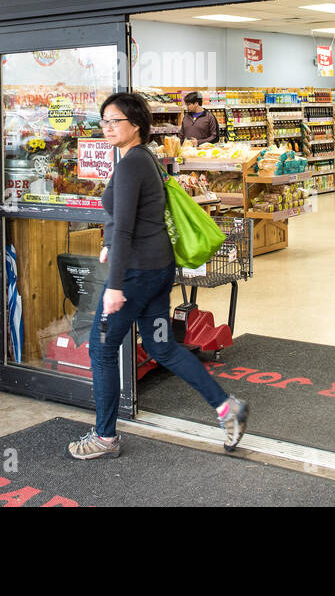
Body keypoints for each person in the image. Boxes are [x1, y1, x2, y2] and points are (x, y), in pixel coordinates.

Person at [68, 91, 249, 460]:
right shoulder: (144, 159)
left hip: (134, 275)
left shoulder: (132, 163)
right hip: (157, 269)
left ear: (136, 124)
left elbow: (123, 228)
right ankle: (226, 407)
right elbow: (136, 217)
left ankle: (104, 437)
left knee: (102, 349)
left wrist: (115, 285)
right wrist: (109, 244)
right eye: (104, 121)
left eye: (114, 121)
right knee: (161, 345)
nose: (107, 127)